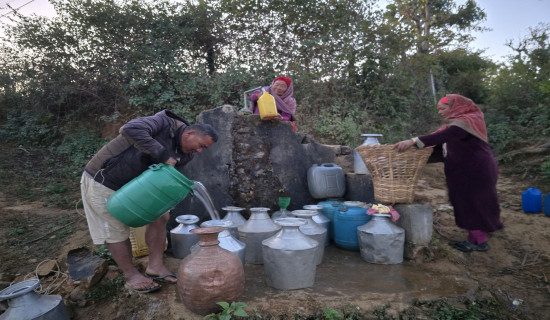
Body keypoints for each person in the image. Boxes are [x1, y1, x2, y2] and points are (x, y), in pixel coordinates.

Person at [80, 109, 218, 293]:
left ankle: (155, 267)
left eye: (204, 149)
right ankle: (131, 276)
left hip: (137, 186)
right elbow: (130, 129)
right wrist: (162, 155)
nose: (199, 151)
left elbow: (169, 177)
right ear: (190, 133)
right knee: (115, 229)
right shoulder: (163, 122)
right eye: (201, 145)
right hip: (105, 179)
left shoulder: (185, 154)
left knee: (161, 216)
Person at [393, 94, 503, 252]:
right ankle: (474, 238)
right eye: (438, 109)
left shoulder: (465, 122)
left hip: (476, 170)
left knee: (473, 203)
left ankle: (479, 242)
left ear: (455, 107)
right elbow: (440, 145)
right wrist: (414, 155)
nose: (439, 112)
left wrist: (413, 141)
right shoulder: (455, 125)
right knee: (466, 202)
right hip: (465, 169)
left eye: (442, 108)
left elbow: (442, 137)